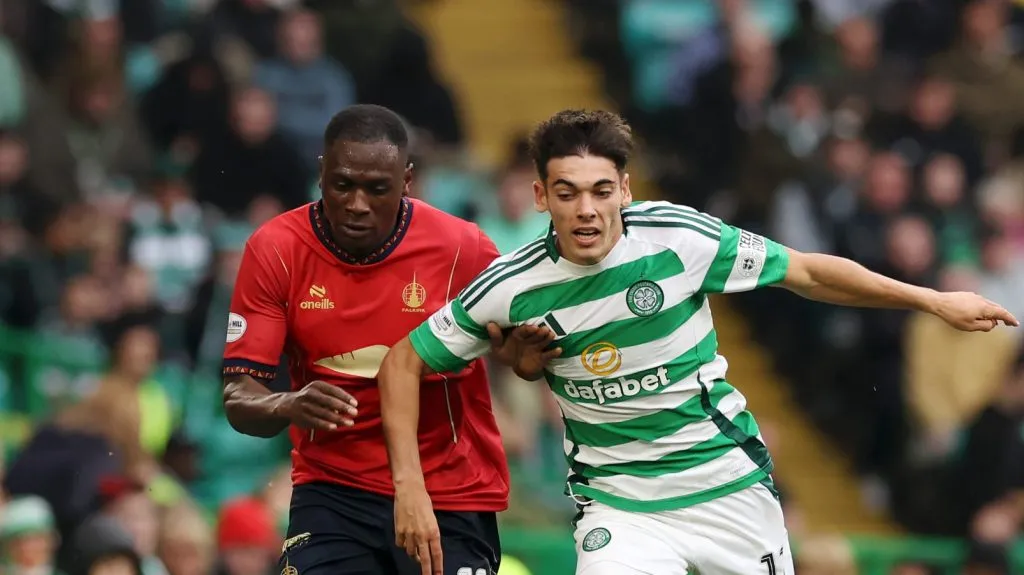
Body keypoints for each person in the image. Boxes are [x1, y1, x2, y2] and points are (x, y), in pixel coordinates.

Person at [377, 109, 1019, 575]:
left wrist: (933, 299)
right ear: (541, 195)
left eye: (603, 191)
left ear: (626, 189)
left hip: (727, 489)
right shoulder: (513, 286)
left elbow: (808, 272)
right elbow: (402, 363)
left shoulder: (680, 239)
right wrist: (409, 486)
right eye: (567, 193)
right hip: (620, 506)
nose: (587, 210)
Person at [221, 104, 557, 575]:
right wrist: (286, 404)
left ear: (408, 181)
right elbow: (239, 396)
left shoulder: (462, 248)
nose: (357, 203)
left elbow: (508, 348)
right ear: (321, 174)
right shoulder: (276, 250)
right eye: (343, 185)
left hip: (447, 487)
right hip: (334, 491)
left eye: (377, 189)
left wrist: (523, 355)